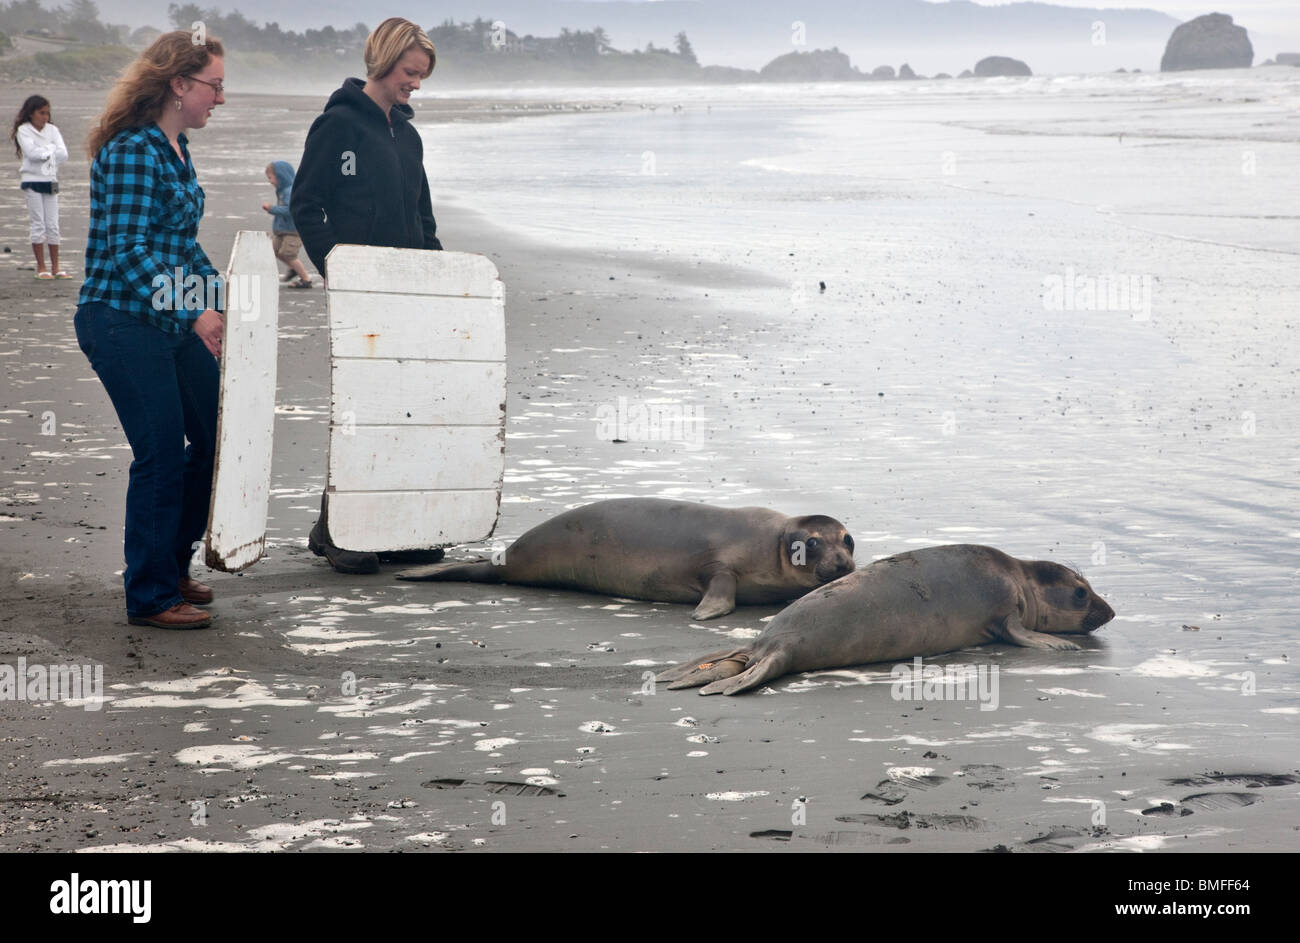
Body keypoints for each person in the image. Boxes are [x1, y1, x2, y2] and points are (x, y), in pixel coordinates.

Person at [74, 31, 227, 629]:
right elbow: (130, 251)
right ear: (179, 84)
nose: (221, 97)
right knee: (162, 453)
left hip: (168, 321)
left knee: (215, 439)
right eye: (214, 86)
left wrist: (224, 300)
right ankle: (152, 595)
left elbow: (182, 248)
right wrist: (195, 311)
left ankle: (173, 562)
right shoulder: (135, 149)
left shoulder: (177, 147)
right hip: (119, 321)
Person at [291, 16, 444, 574]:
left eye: (422, 76)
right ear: (383, 62)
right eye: (410, 72)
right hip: (360, 289)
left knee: (404, 406)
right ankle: (338, 530)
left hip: (410, 291)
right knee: (361, 408)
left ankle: (392, 528)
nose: (416, 84)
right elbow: (306, 204)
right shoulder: (338, 126)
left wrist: (439, 281)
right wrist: (337, 265)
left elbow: (423, 215)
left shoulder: (408, 134)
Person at [11, 95, 70, 279]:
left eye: (47, 113)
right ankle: (41, 267)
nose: (45, 117)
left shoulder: (52, 130)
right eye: (41, 113)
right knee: (38, 224)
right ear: (31, 113)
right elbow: (31, 153)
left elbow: (64, 154)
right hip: (32, 179)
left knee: (53, 224)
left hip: (50, 179)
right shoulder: (24, 130)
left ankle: (56, 267)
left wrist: (46, 150)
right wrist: (51, 150)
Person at [262, 160, 312, 288]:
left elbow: (290, 209)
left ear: (280, 176)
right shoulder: (282, 191)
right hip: (283, 231)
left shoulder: (289, 191)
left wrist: (272, 209)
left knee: (288, 254)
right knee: (274, 251)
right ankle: (293, 268)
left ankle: (306, 279)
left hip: (292, 231)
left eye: (271, 178)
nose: (270, 181)